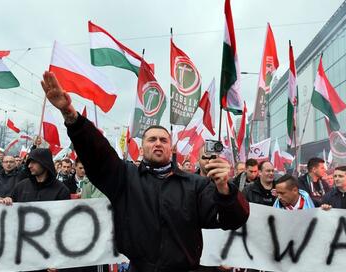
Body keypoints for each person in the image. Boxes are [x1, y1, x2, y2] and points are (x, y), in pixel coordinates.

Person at [41, 71, 250, 272]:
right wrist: (71, 115)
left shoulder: (195, 185)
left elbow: (232, 220)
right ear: (142, 148)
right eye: (151, 139)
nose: (157, 143)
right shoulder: (125, 177)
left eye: (163, 140)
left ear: (171, 148)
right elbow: (98, 153)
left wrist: (224, 188)